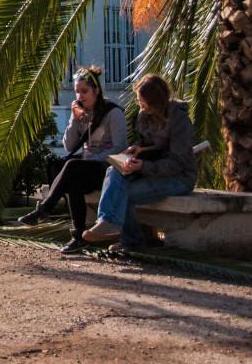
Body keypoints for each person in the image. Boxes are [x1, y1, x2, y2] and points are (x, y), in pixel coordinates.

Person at [17, 66, 126, 254]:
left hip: (108, 170)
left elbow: (120, 147)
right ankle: (78, 237)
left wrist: (94, 159)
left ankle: (44, 209)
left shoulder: (113, 113)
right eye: (77, 91)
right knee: (73, 183)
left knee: (73, 165)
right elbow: (69, 146)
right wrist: (75, 120)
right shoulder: (81, 113)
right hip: (87, 169)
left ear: (96, 91)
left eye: (84, 91)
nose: (80, 96)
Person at [82, 74, 197, 250]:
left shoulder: (179, 121)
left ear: (156, 102)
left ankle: (132, 240)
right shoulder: (144, 116)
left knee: (124, 193)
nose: (140, 106)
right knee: (113, 171)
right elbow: (144, 143)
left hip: (179, 177)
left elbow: (177, 162)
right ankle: (107, 222)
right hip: (149, 170)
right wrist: (135, 149)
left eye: (144, 103)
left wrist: (144, 166)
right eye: (139, 101)